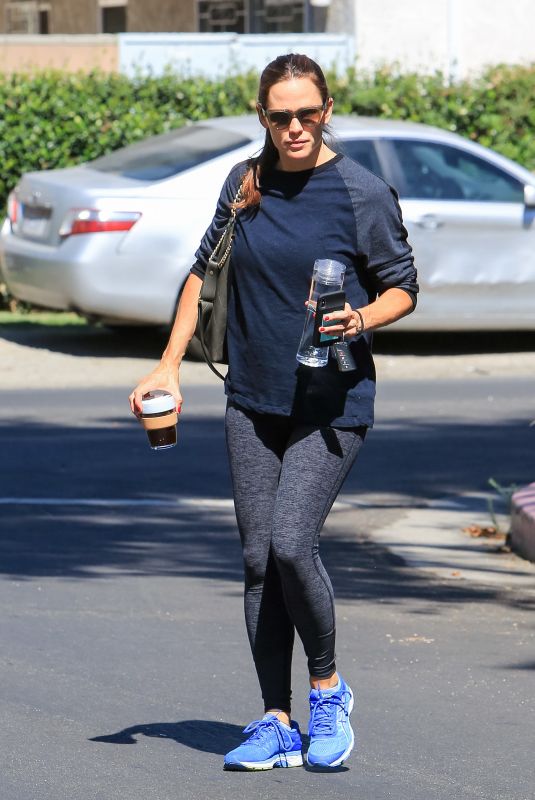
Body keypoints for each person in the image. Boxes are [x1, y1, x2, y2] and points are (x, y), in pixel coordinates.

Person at [129, 53, 418, 772]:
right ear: (262, 115)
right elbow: (203, 270)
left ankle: (327, 690)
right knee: (258, 563)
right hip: (252, 399)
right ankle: (276, 719)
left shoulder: (359, 192)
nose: (294, 127)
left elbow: (403, 286)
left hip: (331, 402)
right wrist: (167, 362)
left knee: (292, 544)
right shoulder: (245, 181)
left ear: (326, 110)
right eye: (279, 115)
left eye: (307, 113)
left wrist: (358, 319)